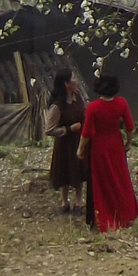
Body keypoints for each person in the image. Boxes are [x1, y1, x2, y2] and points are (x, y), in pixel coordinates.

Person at [80, 72, 138, 232]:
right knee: (120, 178)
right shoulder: (121, 103)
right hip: (115, 144)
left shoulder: (93, 107)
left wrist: (80, 149)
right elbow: (130, 127)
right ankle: (125, 213)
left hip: (99, 146)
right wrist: (128, 142)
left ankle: (104, 214)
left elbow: (85, 132)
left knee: (102, 181)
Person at [42, 70, 87, 216]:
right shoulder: (58, 106)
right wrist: (67, 129)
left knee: (78, 169)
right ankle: (64, 200)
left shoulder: (78, 97)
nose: (77, 81)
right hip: (65, 143)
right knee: (65, 169)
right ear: (66, 84)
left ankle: (79, 200)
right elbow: (49, 129)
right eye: (74, 79)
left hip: (78, 140)